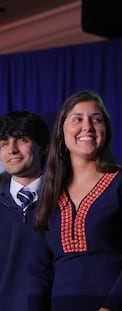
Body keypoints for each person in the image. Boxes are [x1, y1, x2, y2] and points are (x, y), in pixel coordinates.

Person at [28, 90, 122, 311]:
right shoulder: (48, 195)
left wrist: (110, 307)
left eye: (97, 119)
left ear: (106, 130)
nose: (88, 127)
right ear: (61, 131)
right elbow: (39, 272)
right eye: (77, 119)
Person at [0, 110, 50, 311]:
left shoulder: (64, 205)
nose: (11, 149)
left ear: (44, 148)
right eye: (4, 143)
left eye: (21, 140)